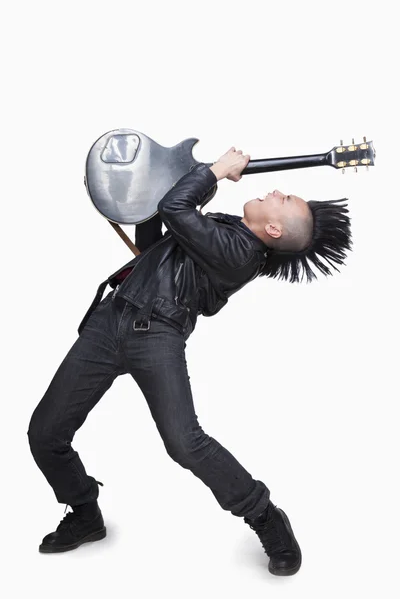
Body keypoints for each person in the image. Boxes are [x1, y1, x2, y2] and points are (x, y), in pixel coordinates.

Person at [27, 147, 352, 576]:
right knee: (45, 432)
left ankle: (265, 516)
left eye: (285, 198)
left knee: (185, 443)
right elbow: (156, 241)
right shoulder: (226, 227)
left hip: (157, 335)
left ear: (273, 228)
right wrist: (132, 195)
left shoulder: (241, 254)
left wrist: (215, 172)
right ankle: (85, 513)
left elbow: (176, 207)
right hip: (111, 320)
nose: (276, 190)